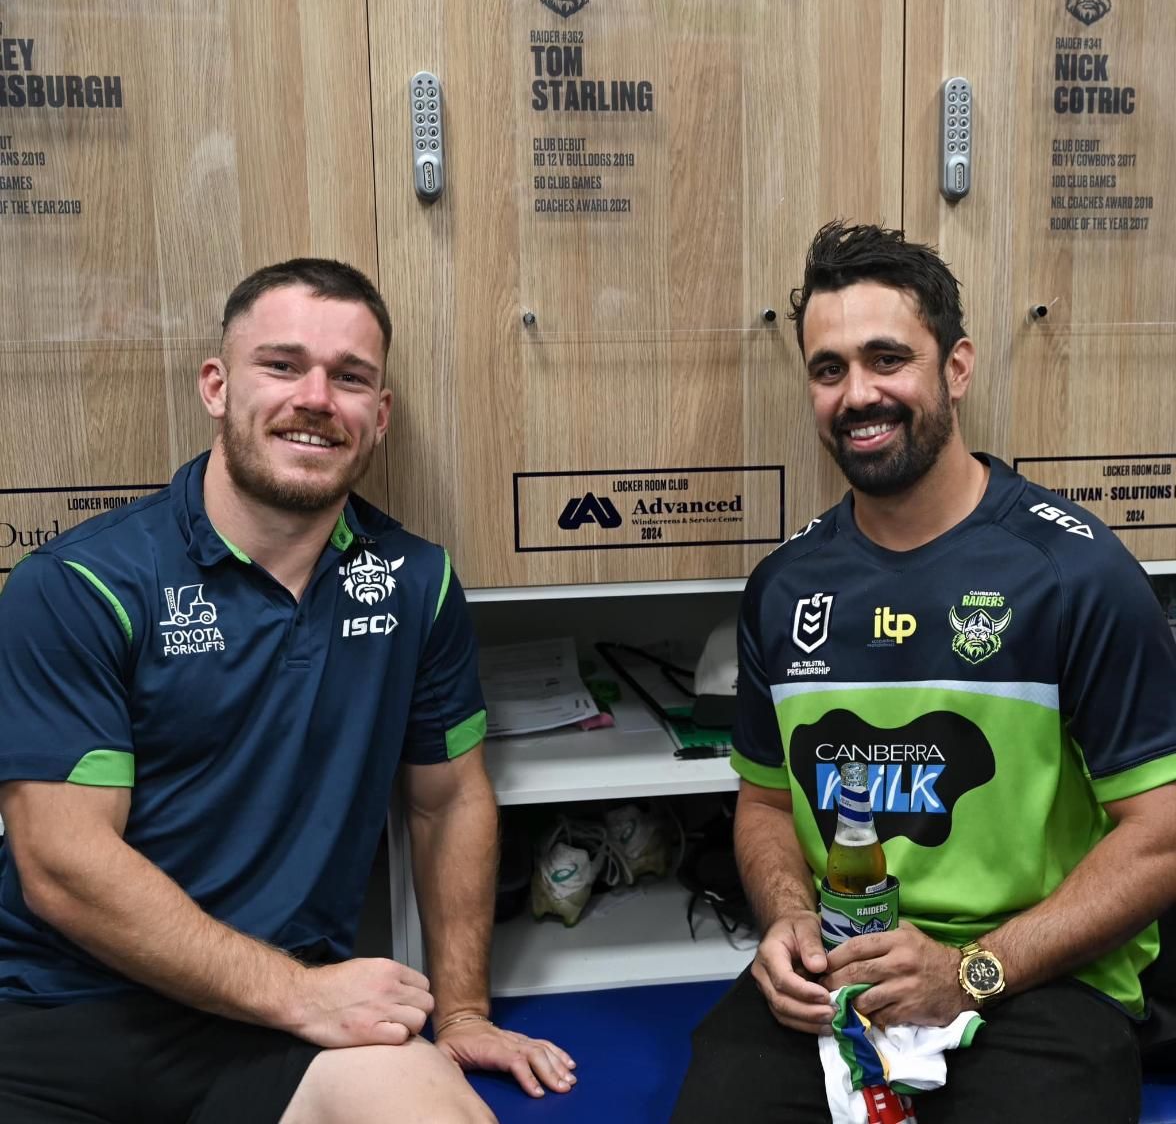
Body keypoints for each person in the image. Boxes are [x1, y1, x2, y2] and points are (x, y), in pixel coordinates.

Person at [0, 258, 576, 1123]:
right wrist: (302, 997)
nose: (316, 398)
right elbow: (63, 865)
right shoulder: (82, 584)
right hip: (57, 1013)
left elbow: (448, 800)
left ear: (377, 416)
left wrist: (460, 1011)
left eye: (350, 378)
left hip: (277, 1032)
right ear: (216, 386)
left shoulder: (416, 583)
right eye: (282, 365)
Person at [672, 222, 1176, 1123]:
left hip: (1036, 982)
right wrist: (788, 918)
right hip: (840, 972)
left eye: (887, 358)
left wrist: (969, 972)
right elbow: (761, 804)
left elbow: (1162, 834)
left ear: (957, 367)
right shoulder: (784, 588)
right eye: (829, 369)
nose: (858, 393)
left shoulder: (1076, 572)